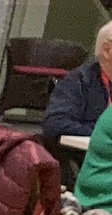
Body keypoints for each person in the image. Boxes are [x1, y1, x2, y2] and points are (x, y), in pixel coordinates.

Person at [42, 19, 112, 169]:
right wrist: (103, 132)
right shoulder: (78, 81)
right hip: (90, 164)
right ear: (107, 50)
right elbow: (55, 125)